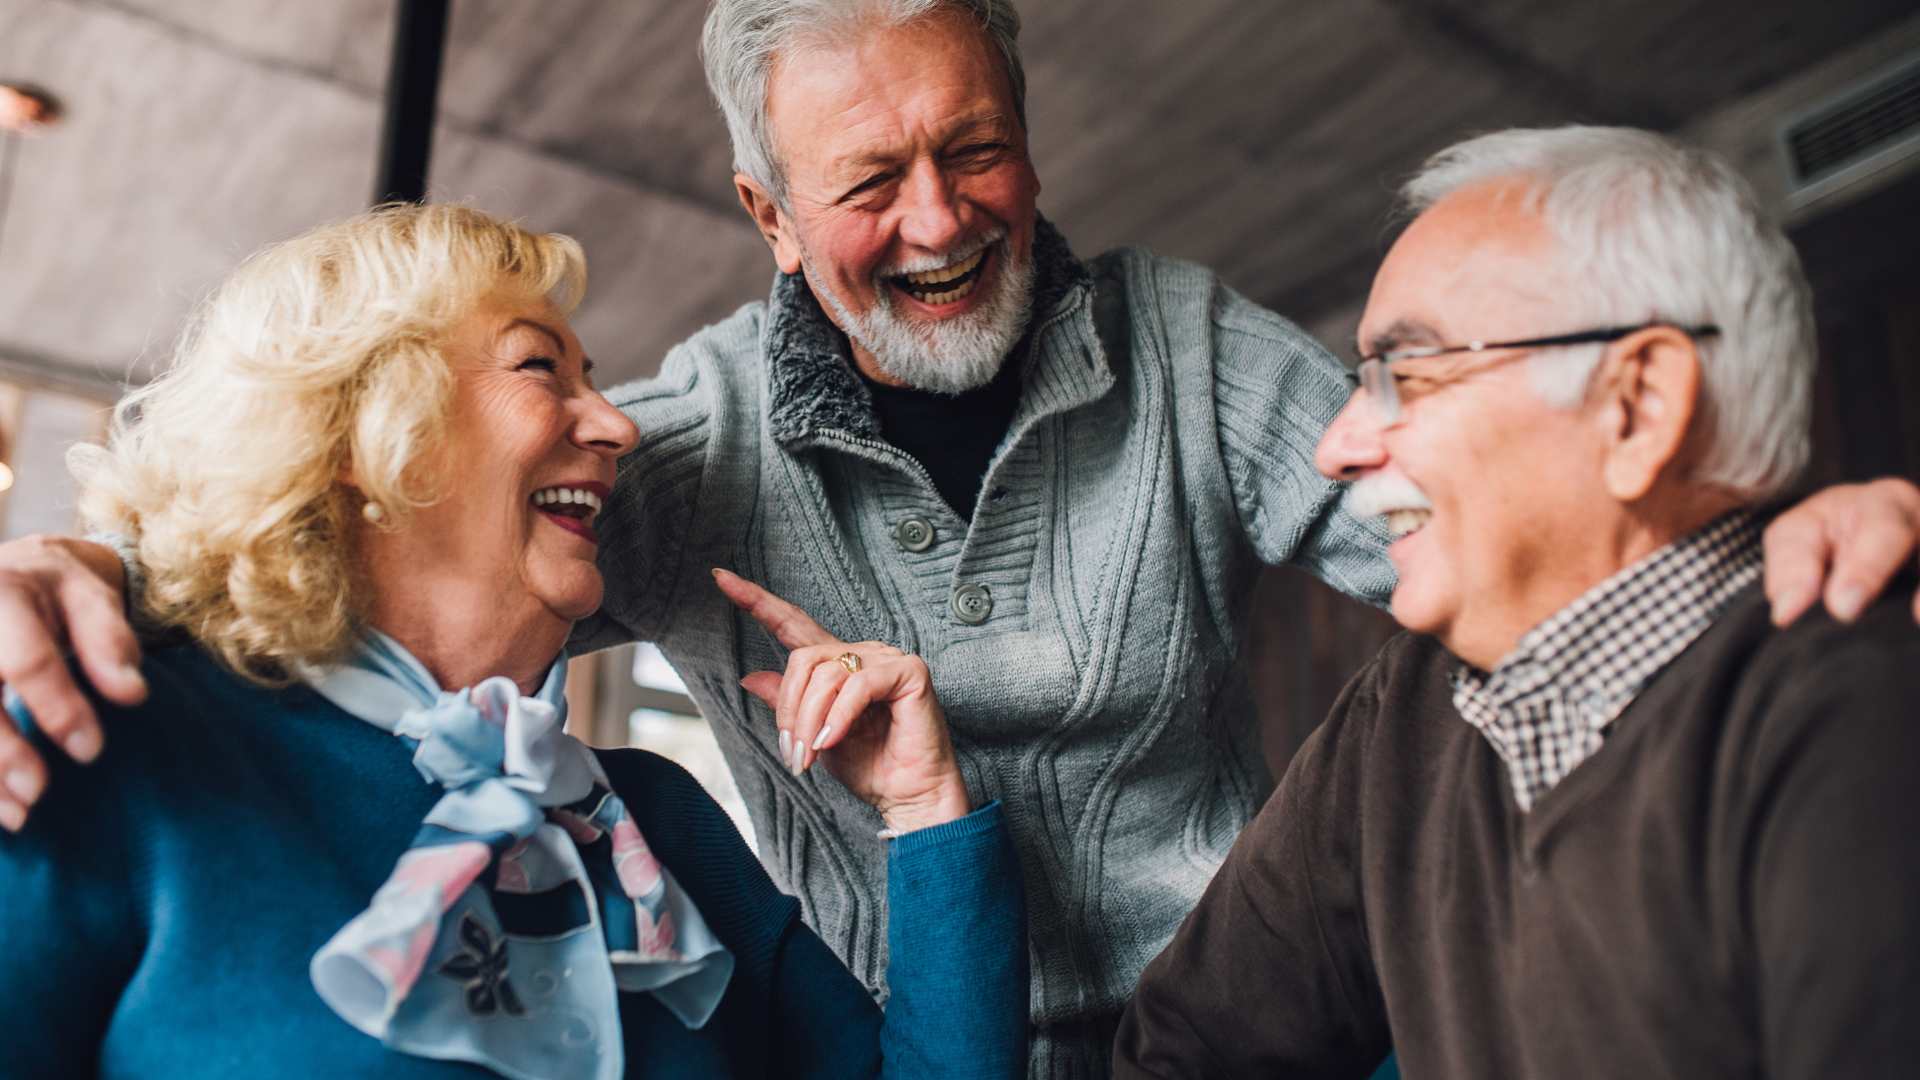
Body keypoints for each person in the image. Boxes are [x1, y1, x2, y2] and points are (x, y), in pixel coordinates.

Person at [3, 4, 1920, 1074]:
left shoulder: (1180, 344)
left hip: (1251, 1023)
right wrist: (88, 585)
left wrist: (1738, 529)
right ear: (766, 217)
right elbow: (348, 524)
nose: (940, 217)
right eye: (868, 182)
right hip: (932, 1033)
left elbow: (1486, 532)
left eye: (977, 147)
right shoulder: (668, 449)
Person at [0, 204, 1027, 1079]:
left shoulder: (655, 821)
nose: (618, 426)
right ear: (366, 433)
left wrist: (924, 809)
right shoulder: (97, 736)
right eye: (542, 367)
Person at [1114, 127, 1920, 1078]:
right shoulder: (1401, 718)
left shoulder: (1855, 711)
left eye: (1404, 373)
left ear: (1639, 405)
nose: (1335, 447)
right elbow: (1185, 1054)